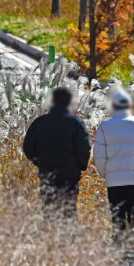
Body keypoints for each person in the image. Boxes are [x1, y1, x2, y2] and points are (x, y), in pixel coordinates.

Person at [93, 89, 134, 236]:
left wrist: (107, 174)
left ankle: (121, 252)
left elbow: (99, 156)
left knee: (118, 219)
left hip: (114, 182)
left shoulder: (104, 127)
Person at [22, 86, 91, 219]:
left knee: (49, 209)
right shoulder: (76, 122)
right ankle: (68, 237)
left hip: (47, 173)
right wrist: (80, 165)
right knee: (68, 210)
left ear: (52, 100)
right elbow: (84, 148)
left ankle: (50, 237)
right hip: (70, 175)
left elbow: (28, 147)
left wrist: (39, 162)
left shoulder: (40, 122)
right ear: (69, 102)